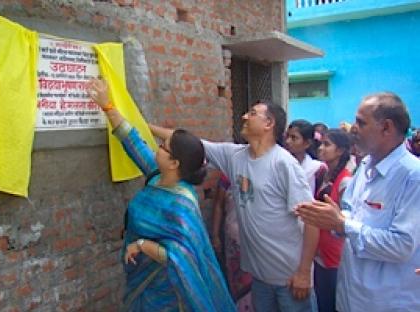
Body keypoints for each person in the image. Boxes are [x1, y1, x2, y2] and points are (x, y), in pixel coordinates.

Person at [153, 100, 319, 311]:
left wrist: (304, 273)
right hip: (260, 277)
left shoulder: (283, 164)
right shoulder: (235, 156)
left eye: (252, 113)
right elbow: (188, 143)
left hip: (289, 279)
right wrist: (142, 125)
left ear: (268, 123)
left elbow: (312, 220)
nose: (244, 117)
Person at [89, 79, 235, 311]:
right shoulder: (157, 175)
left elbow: (183, 257)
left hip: (165, 288)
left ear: (174, 163)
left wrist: (142, 245)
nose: (158, 147)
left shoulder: (182, 205)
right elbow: (132, 141)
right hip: (139, 276)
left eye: (164, 146)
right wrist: (107, 106)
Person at [295, 92, 420, 311]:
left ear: (386, 128)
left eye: (361, 123)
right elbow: (349, 216)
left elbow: (401, 245)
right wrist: (330, 218)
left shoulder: (412, 177)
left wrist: (342, 224)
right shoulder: (365, 168)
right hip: (351, 298)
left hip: (388, 303)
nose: (353, 128)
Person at [313, 129, 353, 312]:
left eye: (327, 145)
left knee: (331, 303)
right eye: (321, 143)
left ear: (340, 151)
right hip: (320, 251)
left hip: (334, 256)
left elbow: (346, 219)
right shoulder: (323, 175)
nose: (321, 148)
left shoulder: (345, 181)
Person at [211, 172, 253, 311]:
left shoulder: (268, 170)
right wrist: (215, 235)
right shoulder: (228, 174)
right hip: (233, 242)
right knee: (236, 284)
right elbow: (218, 205)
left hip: (257, 245)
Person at [284, 119, 327, 195]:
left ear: (307, 143)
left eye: (294, 138)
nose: (288, 141)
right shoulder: (280, 163)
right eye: (287, 136)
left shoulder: (317, 169)